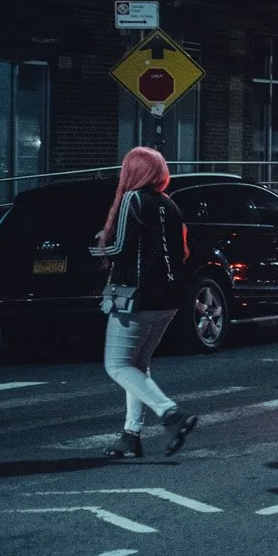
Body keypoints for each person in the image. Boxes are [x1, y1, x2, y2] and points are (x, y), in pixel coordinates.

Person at [91, 146, 195, 459]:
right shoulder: (170, 205)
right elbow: (180, 254)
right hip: (168, 298)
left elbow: (121, 245)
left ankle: (171, 415)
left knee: (117, 365)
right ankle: (130, 435)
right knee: (138, 365)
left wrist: (95, 249)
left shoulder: (132, 200)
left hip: (135, 296)